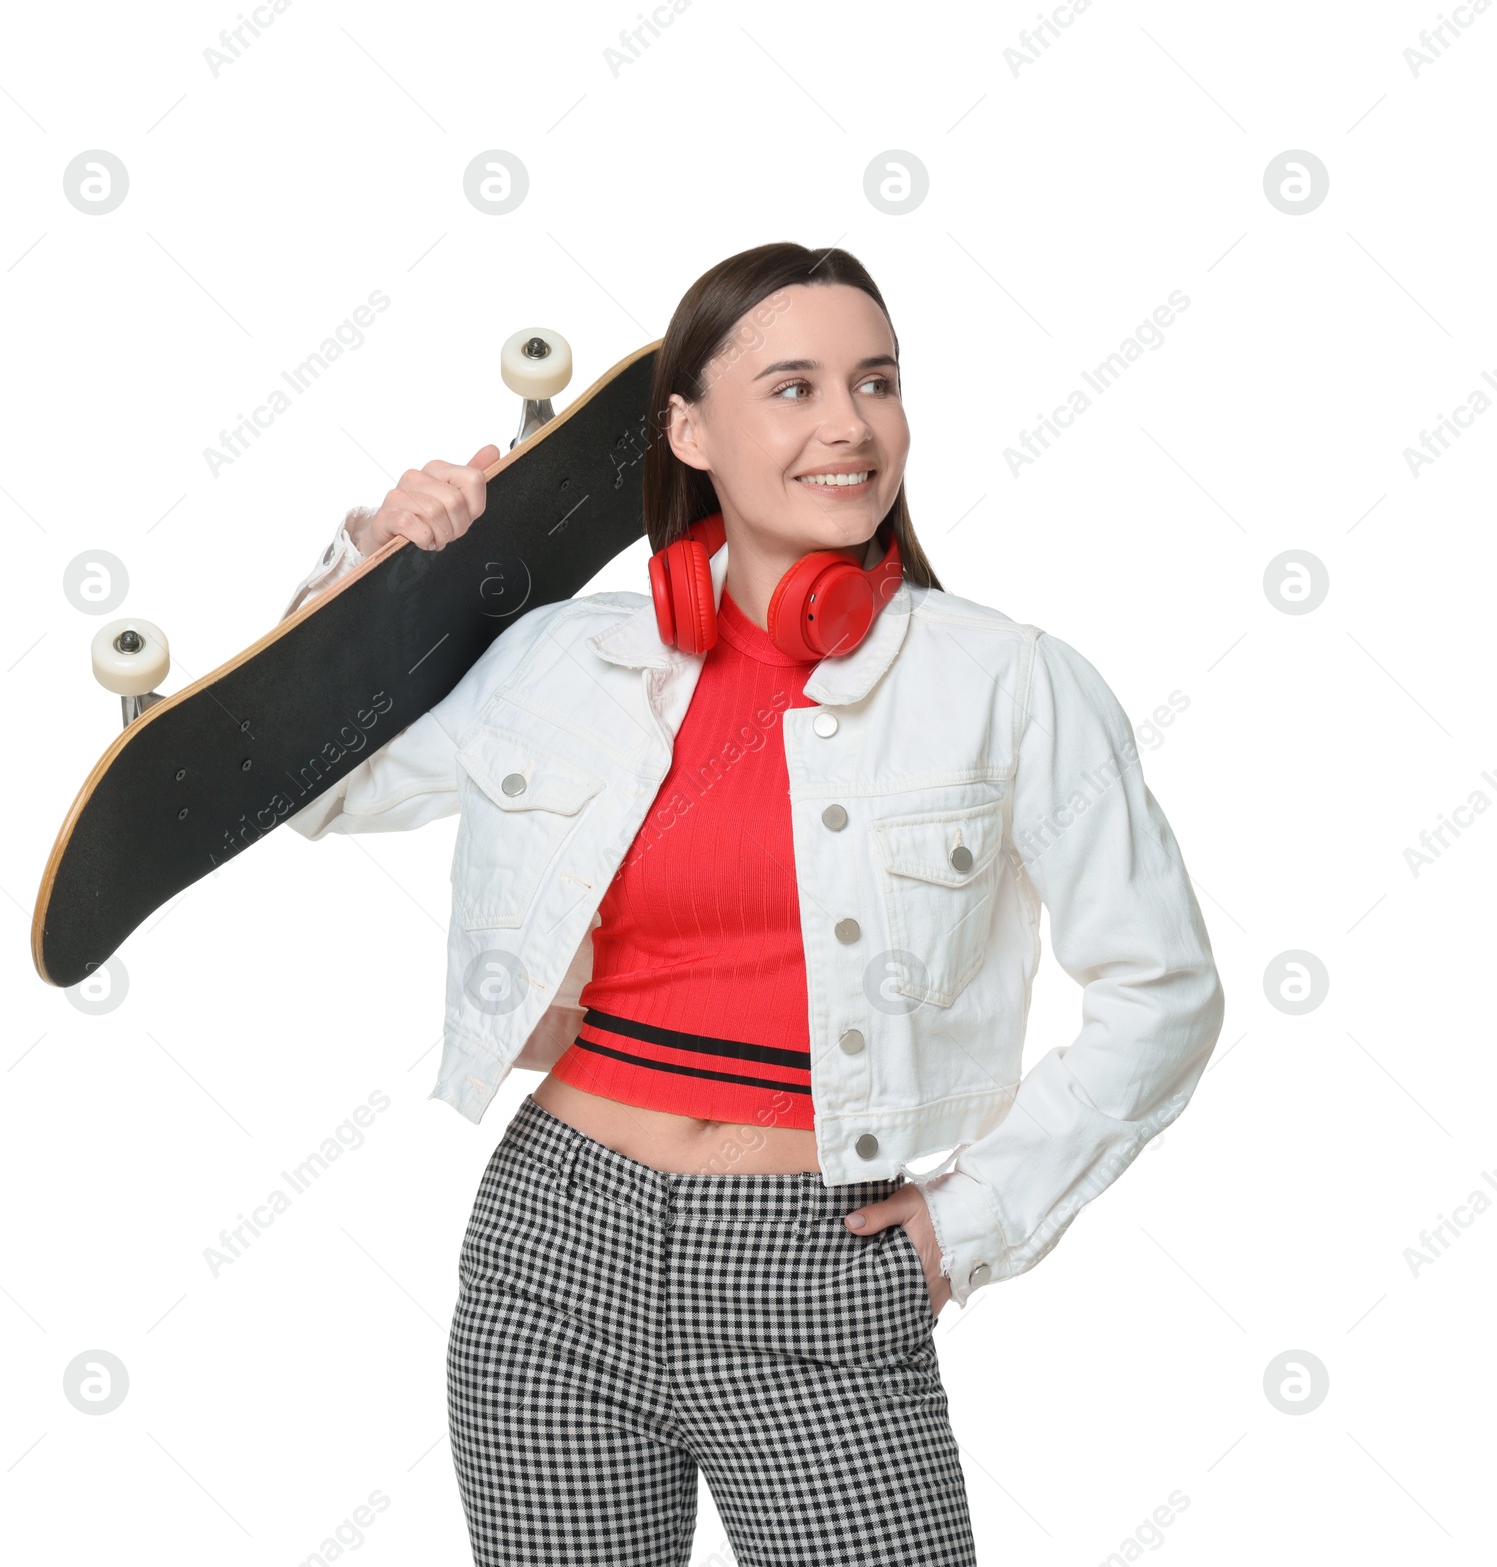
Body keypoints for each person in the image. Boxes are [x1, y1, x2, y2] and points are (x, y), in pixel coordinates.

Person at [282, 242, 1224, 1567]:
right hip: (552, 1252)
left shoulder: (1009, 684)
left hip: (821, 1266)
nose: (850, 424)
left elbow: (1164, 993)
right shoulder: (565, 658)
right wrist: (371, 567)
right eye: (794, 387)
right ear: (688, 428)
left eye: (877, 382)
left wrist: (969, 1225)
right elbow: (324, 791)